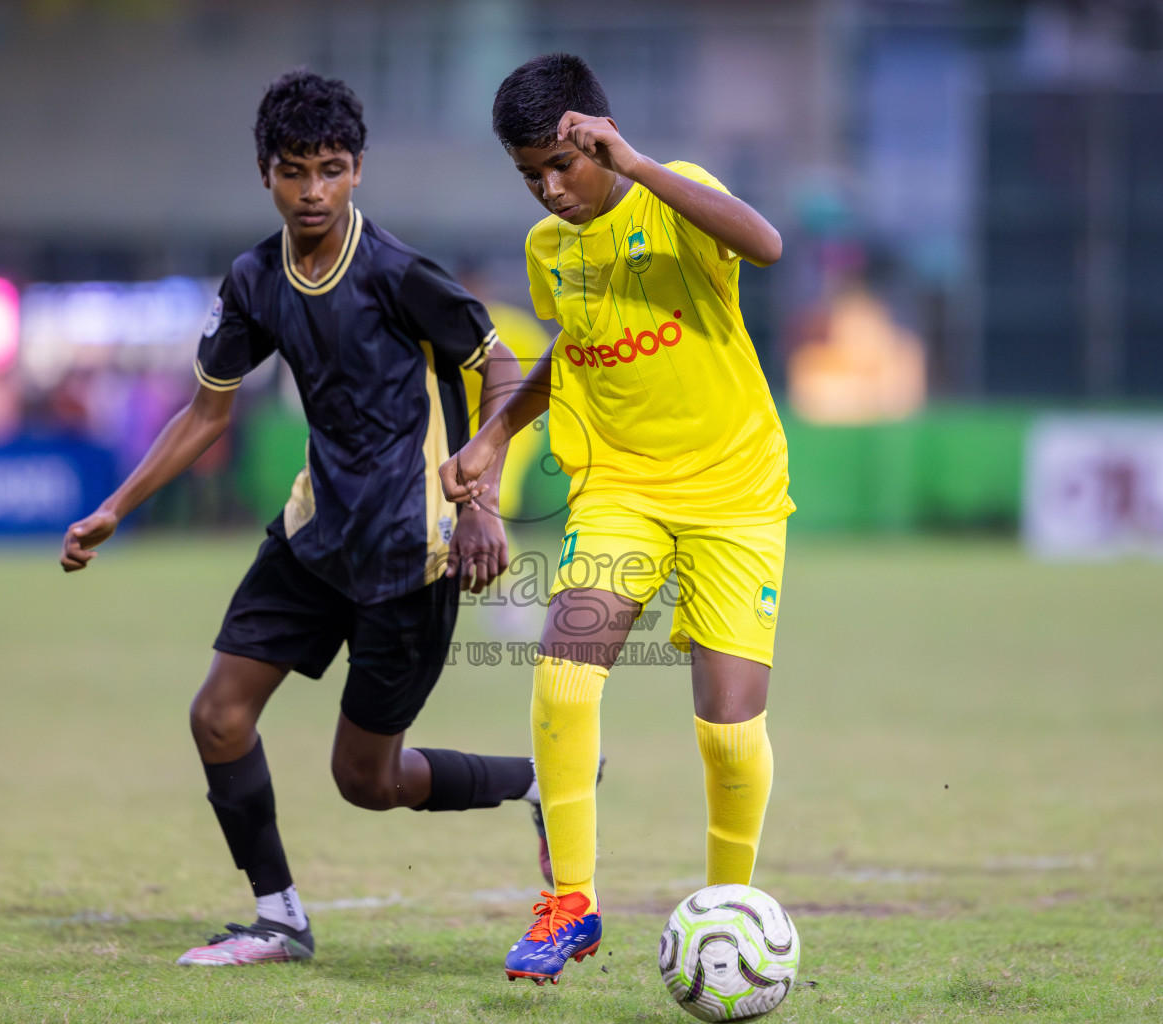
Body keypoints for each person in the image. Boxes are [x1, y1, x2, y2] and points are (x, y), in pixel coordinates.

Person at [60, 69, 545, 968]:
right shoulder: (253, 280)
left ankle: (539, 785)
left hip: (413, 555)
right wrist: (114, 508)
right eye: (294, 171)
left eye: (330, 169)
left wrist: (478, 498)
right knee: (217, 716)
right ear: (265, 175)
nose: (312, 189)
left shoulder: (399, 272)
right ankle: (280, 918)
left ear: (358, 171)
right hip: (314, 539)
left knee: (367, 782)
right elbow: (207, 413)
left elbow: (504, 368)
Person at [440, 53, 793, 984]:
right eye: (530, 176)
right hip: (620, 490)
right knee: (563, 672)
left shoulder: (672, 195)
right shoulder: (548, 251)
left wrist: (634, 165)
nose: (550, 190)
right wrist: (496, 438)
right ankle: (571, 905)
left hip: (735, 492)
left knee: (725, 731)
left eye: (563, 165)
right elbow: (574, 348)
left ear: (599, 137)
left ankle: (732, 911)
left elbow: (766, 246)